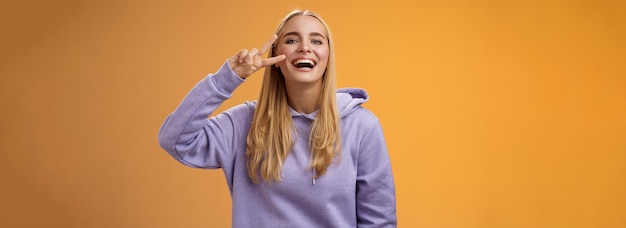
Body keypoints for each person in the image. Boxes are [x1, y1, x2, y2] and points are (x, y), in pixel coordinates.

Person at [158, 9, 397, 227]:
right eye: (292, 40)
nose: (305, 47)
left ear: (328, 56)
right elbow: (175, 140)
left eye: (316, 40)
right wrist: (227, 78)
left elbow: (379, 221)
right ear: (276, 57)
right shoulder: (244, 123)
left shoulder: (362, 126)